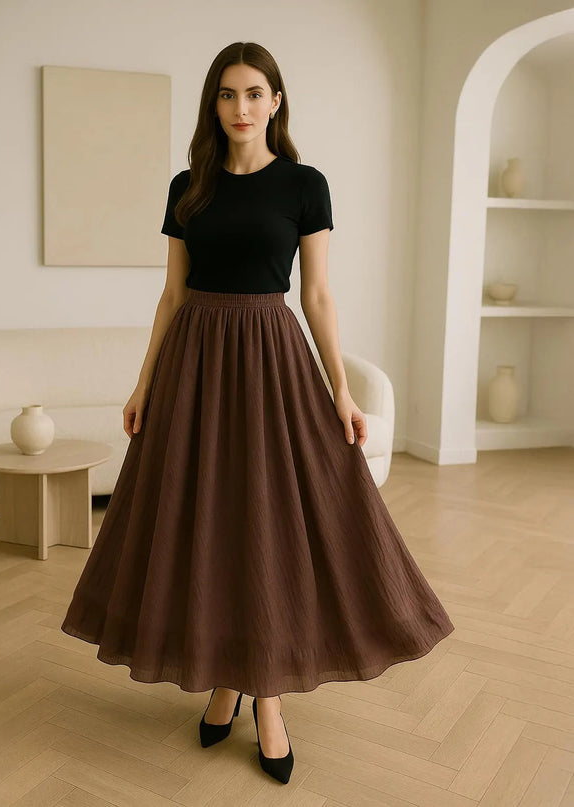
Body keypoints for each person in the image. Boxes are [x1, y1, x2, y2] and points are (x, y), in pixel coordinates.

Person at [61, 41, 454, 786]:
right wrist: (144, 382)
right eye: (226, 95)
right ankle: (224, 676)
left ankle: (262, 694)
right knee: (206, 523)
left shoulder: (304, 185)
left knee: (267, 523)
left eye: (253, 93)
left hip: (271, 361)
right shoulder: (188, 186)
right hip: (195, 365)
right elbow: (173, 294)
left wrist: (339, 387)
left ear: (275, 102)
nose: (240, 108)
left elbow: (316, 295)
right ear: (213, 106)